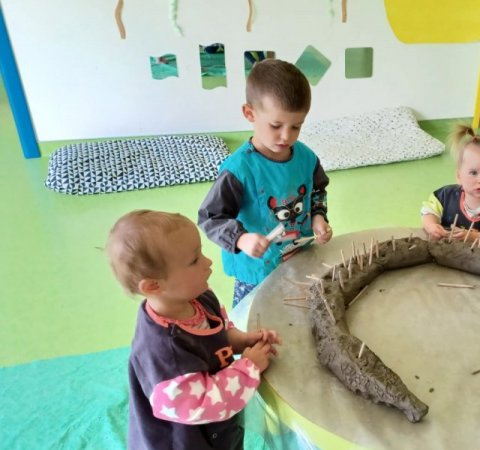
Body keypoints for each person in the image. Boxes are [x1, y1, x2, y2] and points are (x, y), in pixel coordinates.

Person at [106, 210, 282, 450]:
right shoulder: (164, 354)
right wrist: (248, 368)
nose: (208, 262)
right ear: (154, 285)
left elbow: (218, 334)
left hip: (219, 433)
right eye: (194, 260)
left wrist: (243, 341)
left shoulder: (199, 298)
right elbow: (203, 403)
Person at [198, 58, 332, 307]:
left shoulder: (305, 157)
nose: (286, 136)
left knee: (301, 315)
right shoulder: (238, 170)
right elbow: (210, 217)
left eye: (296, 127)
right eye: (276, 125)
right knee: (256, 326)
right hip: (257, 270)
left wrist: (318, 217)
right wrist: (241, 239)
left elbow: (317, 191)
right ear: (250, 113)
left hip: (299, 257)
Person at [421, 124, 480, 242]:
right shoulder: (446, 196)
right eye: (473, 173)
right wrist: (431, 226)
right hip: (445, 252)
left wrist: (473, 237)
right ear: (459, 176)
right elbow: (428, 212)